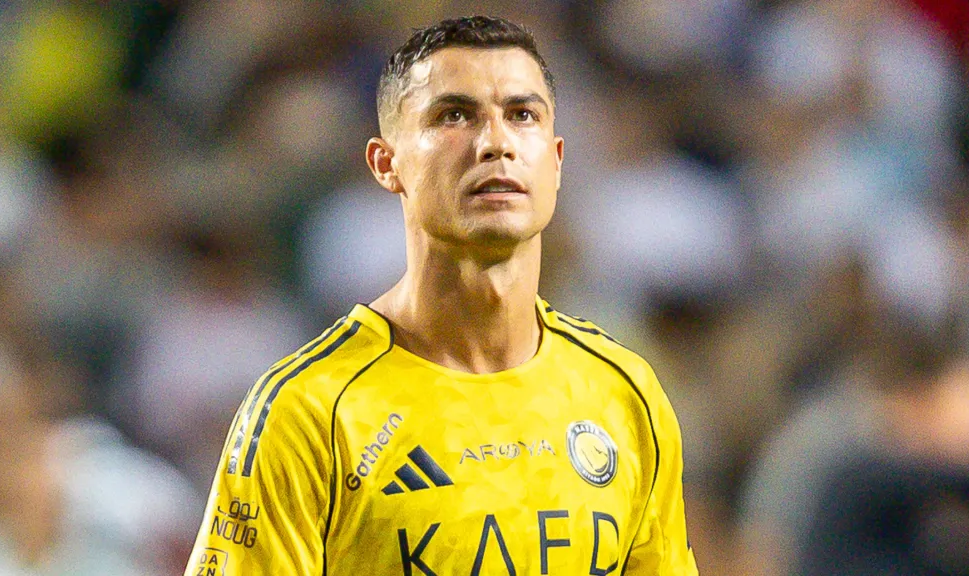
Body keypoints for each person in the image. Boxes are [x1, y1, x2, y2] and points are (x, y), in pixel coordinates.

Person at [184, 16, 699, 575]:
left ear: (555, 159)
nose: (495, 143)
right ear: (387, 164)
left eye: (521, 115)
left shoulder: (624, 392)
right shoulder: (310, 413)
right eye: (455, 115)